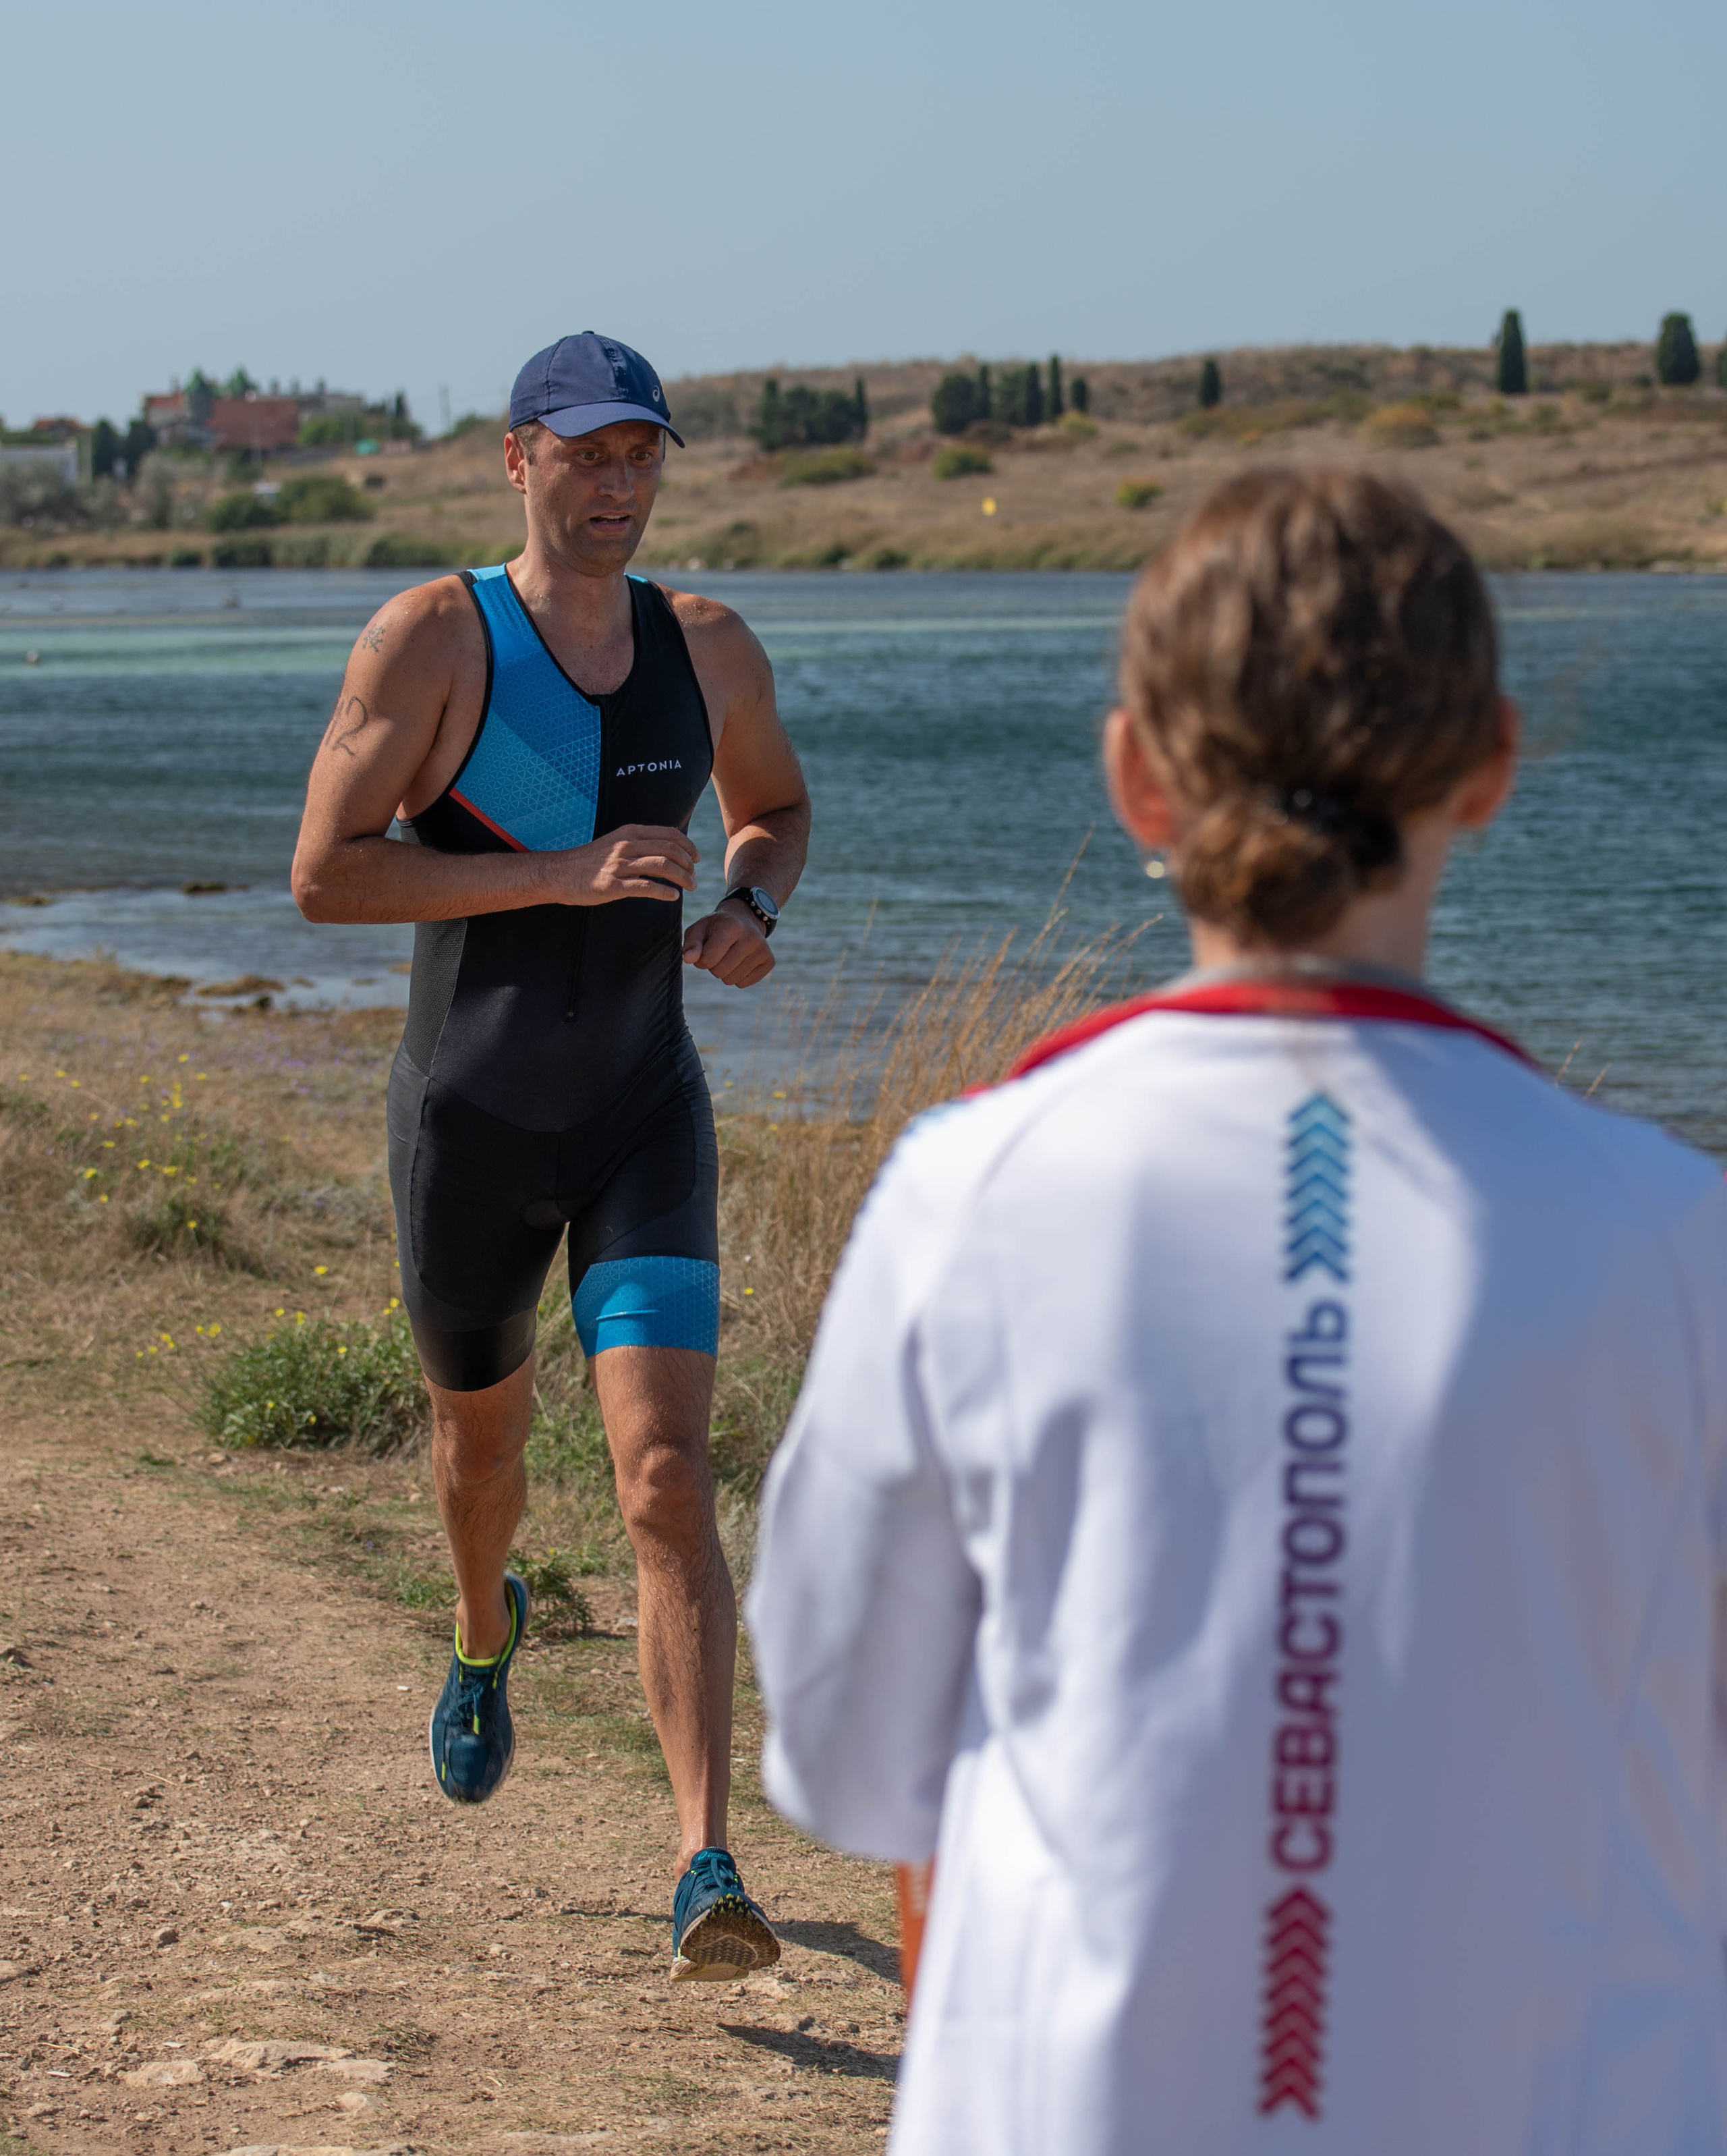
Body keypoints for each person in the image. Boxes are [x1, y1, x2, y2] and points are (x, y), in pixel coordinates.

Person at [747, 470, 1727, 2149]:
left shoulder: (974, 1193)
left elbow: (843, 1754)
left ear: (1136, 772)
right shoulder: (1673, 1239)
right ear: (1487, 765)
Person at [292, 333, 808, 1982]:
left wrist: (746, 903)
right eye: (584, 455)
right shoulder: (436, 639)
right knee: (484, 1464)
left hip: (643, 1112)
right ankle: (480, 1620)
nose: (617, 486)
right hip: (470, 1122)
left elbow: (776, 807)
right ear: (515, 459)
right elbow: (325, 874)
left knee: (665, 1479)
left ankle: (702, 1859)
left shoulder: (704, 643)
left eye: (641, 456)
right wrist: (562, 871)